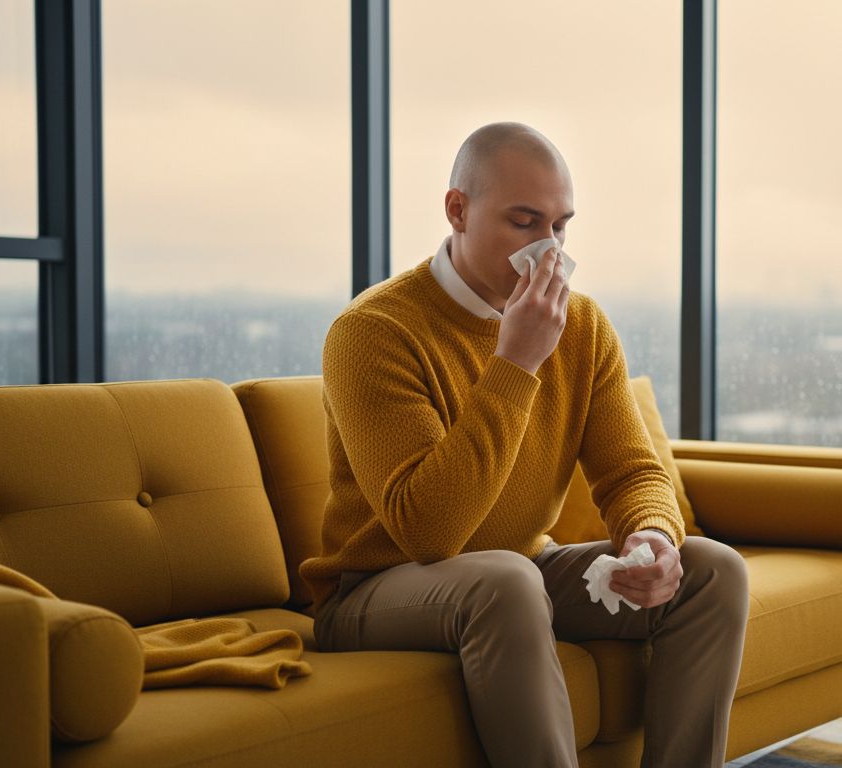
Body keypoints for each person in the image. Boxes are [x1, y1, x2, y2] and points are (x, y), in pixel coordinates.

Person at [300, 121, 750, 768]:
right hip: (374, 590)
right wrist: (515, 363)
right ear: (457, 209)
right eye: (524, 223)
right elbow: (430, 531)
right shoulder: (373, 332)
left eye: (560, 227)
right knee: (508, 580)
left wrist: (651, 535)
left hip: (517, 571)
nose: (548, 251)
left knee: (712, 573)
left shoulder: (582, 325)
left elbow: (631, 471)